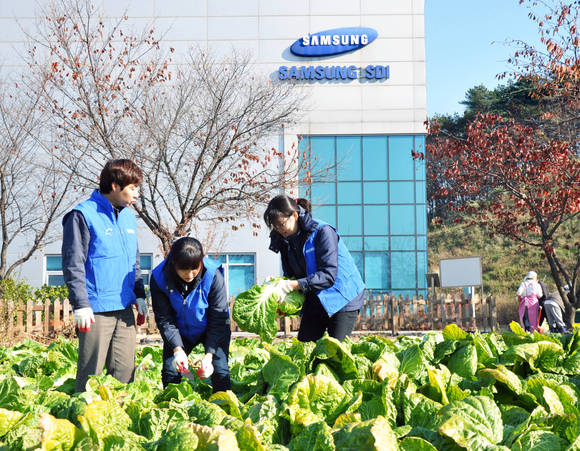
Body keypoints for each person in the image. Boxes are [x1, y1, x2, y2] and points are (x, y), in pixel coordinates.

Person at [62, 159, 148, 392]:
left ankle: (118, 423)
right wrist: (81, 304)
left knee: (125, 374)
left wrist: (139, 294)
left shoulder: (129, 217)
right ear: (114, 186)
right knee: (91, 376)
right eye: (133, 188)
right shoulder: (82, 215)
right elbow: (73, 264)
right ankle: (81, 422)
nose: (137, 194)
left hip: (124, 307)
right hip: (95, 309)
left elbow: (134, 261)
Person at [264, 195, 365, 343]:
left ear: (294, 215)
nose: (279, 229)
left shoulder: (322, 231)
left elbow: (328, 275)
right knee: (305, 345)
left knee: (335, 351)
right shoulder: (284, 241)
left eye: (282, 224)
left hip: (342, 295)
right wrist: (278, 284)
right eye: (275, 226)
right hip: (315, 296)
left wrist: (293, 285)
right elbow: (291, 276)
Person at [150, 237, 231, 392]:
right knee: (171, 371)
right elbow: (164, 318)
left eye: (195, 268)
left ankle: (224, 409)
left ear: (201, 261)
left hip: (211, 327)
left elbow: (218, 317)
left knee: (220, 371)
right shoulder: (159, 277)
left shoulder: (213, 275)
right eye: (184, 269)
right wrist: (177, 349)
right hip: (179, 330)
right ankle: (171, 408)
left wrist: (209, 355)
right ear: (173, 263)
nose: (190, 274)